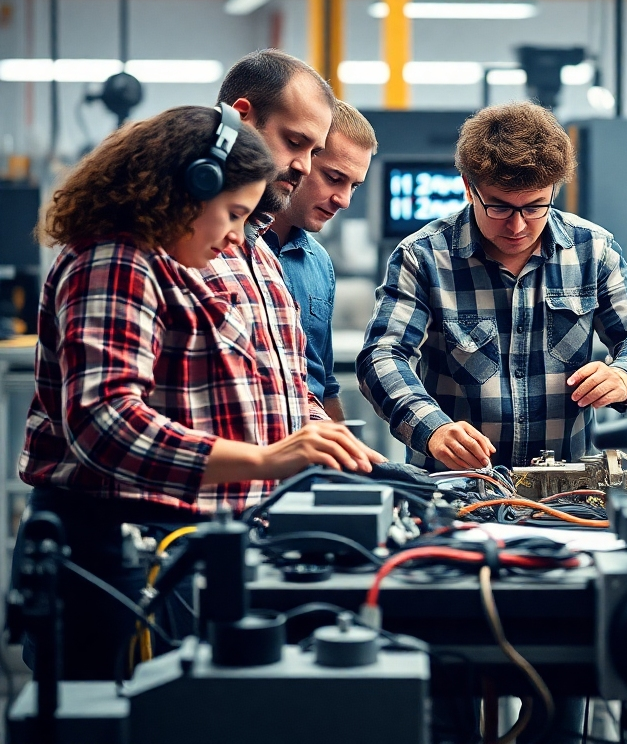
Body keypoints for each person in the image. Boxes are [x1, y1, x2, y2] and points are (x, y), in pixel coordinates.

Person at [18, 106, 380, 680]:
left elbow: (277, 385)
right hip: (116, 550)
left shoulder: (236, 254)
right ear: (189, 190)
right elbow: (105, 423)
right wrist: (264, 460)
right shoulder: (117, 258)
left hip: (202, 542)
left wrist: (323, 443)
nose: (238, 235)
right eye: (233, 214)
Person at [357, 100, 627, 472]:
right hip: (457, 488)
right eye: (500, 207)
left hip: (566, 491)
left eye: (535, 207)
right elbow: (382, 356)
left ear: (554, 190)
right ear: (469, 187)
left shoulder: (593, 250)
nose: (518, 226)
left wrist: (625, 374)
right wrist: (432, 428)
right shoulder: (423, 257)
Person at [204, 48, 368, 447]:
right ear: (240, 119)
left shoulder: (265, 258)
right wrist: (265, 460)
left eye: (313, 152)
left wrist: (350, 459)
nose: (304, 166)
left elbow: (294, 387)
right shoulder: (168, 242)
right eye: (296, 143)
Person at [266, 100, 378, 421]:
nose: (344, 200)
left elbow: (324, 384)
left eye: (354, 186)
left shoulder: (318, 263)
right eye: (334, 177)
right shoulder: (224, 247)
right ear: (301, 159)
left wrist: (343, 446)